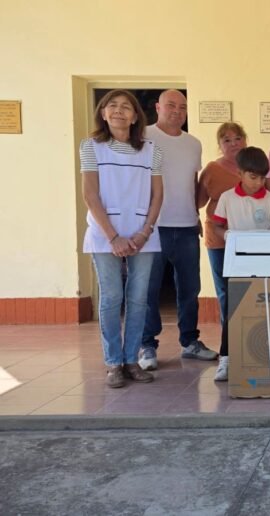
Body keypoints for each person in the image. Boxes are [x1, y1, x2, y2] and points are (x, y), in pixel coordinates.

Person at [80, 89, 163, 388]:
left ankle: (132, 359)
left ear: (135, 115)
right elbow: (90, 194)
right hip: (105, 235)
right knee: (112, 298)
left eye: (125, 107)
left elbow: (157, 194)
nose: (118, 111)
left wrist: (145, 231)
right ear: (103, 113)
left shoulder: (151, 149)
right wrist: (113, 236)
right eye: (111, 106)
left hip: (143, 234)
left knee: (139, 299)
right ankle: (113, 362)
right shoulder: (91, 147)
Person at [139, 89, 214, 371]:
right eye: (170, 105)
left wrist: (195, 214)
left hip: (185, 227)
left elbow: (192, 182)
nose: (177, 111)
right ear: (158, 107)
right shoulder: (143, 137)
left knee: (189, 289)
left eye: (182, 107)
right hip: (152, 227)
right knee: (149, 289)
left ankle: (190, 341)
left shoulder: (193, 143)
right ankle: (147, 345)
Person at [209, 147, 270, 381]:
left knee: (266, 310)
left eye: (263, 177)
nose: (258, 182)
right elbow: (217, 225)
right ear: (240, 173)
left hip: (265, 265)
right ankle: (226, 359)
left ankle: (267, 356)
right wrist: (227, 236)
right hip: (236, 264)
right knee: (234, 310)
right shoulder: (227, 198)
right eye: (253, 177)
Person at [196, 122, 247, 378]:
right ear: (220, 144)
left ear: (245, 141)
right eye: (226, 140)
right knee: (226, 294)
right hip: (219, 240)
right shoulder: (213, 170)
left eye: (237, 138)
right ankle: (228, 350)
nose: (233, 143)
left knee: (247, 292)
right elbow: (198, 200)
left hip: (246, 241)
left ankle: (246, 344)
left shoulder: (253, 165)